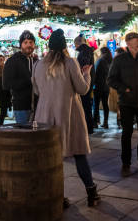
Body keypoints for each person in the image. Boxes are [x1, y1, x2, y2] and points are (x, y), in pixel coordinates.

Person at [32, 29, 100, 207]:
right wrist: (87, 74)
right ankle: (91, 193)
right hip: (69, 114)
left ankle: (57, 197)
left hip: (45, 116)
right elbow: (83, 89)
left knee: (52, 159)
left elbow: (37, 90)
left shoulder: (38, 65)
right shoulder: (70, 63)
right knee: (79, 154)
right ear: (64, 47)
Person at [107, 32, 138, 176]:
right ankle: (126, 163)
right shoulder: (120, 60)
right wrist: (124, 89)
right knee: (127, 133)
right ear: (128, 43)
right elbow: (111, 79)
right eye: (137, 40)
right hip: (127, 102)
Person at [3, 30, 37, 124]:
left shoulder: (36, 61)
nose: (28, 45)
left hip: (37, 106)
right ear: (21, 45)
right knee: (24, 135)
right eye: (25, 42)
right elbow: (6, 84)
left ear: (34, 44)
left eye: (31, 42)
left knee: (36, 136)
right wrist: (29, 81)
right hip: (21, 106)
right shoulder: (13, 61)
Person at [75, 35, 95, 135]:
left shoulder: (84, 52)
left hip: (85, 81)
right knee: (87, 106)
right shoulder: (88, 51)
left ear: (78, 44)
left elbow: (85, 67)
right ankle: (89, 127)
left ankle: (88, 128)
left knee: (85, 106)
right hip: (89, 81)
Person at [93, 47, 112, 129]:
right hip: (106, 87)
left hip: (98, 86)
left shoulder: (100, 61)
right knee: (105, 105)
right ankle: (105, 122)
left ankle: (95, 122)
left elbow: (95, 73)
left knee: (96, 105)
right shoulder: (110, 61)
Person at [108, 47, 126, 129]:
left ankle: (122, 121)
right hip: (118, 89)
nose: (115, 56)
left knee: (122, 107)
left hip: (123, 89)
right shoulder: (115, 63)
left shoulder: (125, 64)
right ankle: (119, 121)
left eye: (116, 55)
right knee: (119, 106)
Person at [0, 54, 10, 126]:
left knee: (3, 107)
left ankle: (1, 122)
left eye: (1, 60)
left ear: (4, 60)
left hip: (4, 91)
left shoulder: (6, 68)